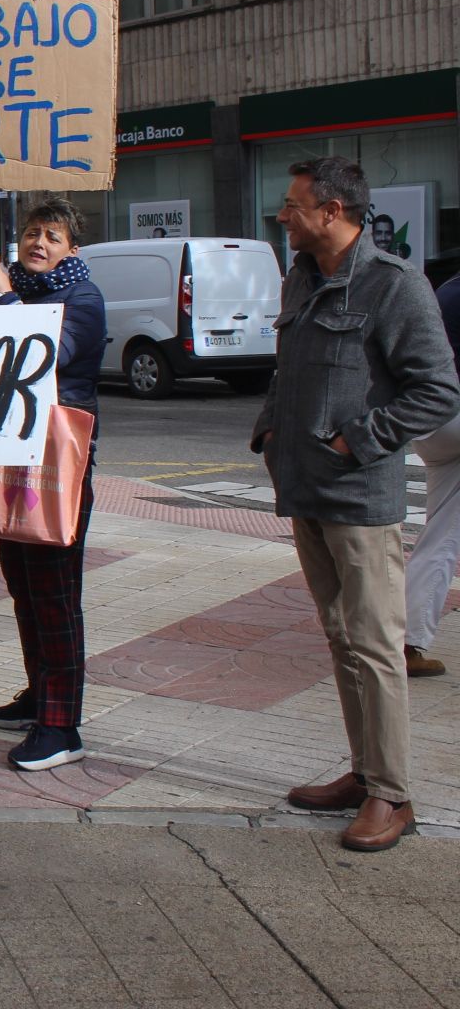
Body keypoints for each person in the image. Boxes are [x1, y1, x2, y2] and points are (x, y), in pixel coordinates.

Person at [252, 158, 460, 851]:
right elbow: (290, 369)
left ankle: (392, 796)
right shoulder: (302, 276)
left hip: (358, 495)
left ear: (333, 212)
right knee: (341, 640)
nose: (283, 216)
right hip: (305, 487)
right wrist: (272, 427)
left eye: (293, 205)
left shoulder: (394, 286)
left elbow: (436, 392)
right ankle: (364, 771)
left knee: (374, 645)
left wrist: (355, 439)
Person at [0, 198, 107, 773]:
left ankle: (62, 725)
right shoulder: (18, 295)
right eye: (32, 233)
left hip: (56, 464)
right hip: (10, 454)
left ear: (72, 249)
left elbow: (51, 355)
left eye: (52, 235)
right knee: (24, 588)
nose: (39, 243)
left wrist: (4, 299)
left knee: (55, 595)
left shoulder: (82, 297)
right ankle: (40, 694)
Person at [406, 272, 460, 677]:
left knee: (441, 532)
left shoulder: (446, 290)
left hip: (430, 423)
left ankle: (408, 642)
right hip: (455, 414)